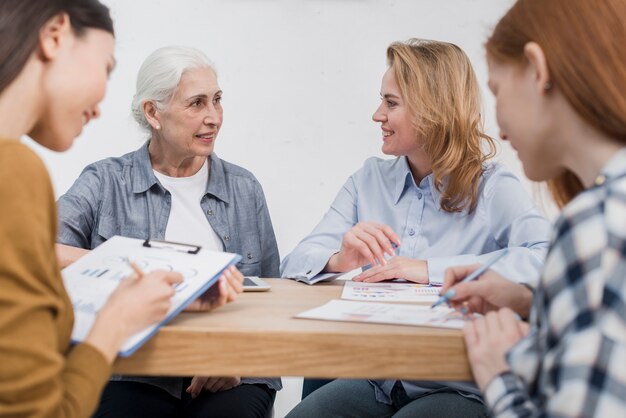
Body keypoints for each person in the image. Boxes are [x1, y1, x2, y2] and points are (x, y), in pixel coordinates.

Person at [283, 39, 551, 417]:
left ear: (433, 110)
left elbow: (547, 259)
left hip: (457, 386)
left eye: (391, 103)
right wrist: (338, 258)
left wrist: (428, 270)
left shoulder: (493, 186)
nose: (377, 115)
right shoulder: (368, 180)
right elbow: (293, 263)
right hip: (376, 380)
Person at [0, 1, 227, 417]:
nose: (102, 103)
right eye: (105, 68)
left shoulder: (243, 185)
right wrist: (115, 321)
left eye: (217, 100)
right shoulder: (16, 172)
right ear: (54, 37)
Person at [56, 46, 280, 418]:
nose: (214, 118)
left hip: (231, 373)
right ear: (152, 113)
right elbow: (36, 250)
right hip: (130, 372)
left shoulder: (244, 188)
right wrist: (138, 265)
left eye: (217, 100)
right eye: (197, 103)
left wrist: (237, 359)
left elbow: (272, 294)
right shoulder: (105, 180)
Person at [439, 0, 626, 416]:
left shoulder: (595, 227)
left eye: (497, 91)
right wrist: (533, 301)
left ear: (537, 68)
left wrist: (497, 375)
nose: (499, 128)